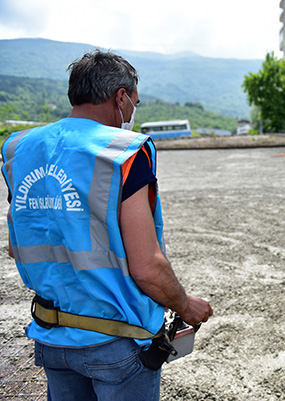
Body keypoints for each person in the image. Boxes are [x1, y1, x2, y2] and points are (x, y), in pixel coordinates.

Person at [1, 50, 213, 400]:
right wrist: (186, 305)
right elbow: (146, 267)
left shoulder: (19, 149)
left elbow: (17, 245)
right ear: (120, 98)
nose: (132, 112)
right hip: (116, 343)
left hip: (52, 338)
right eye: (135, 103)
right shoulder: (122, 152)